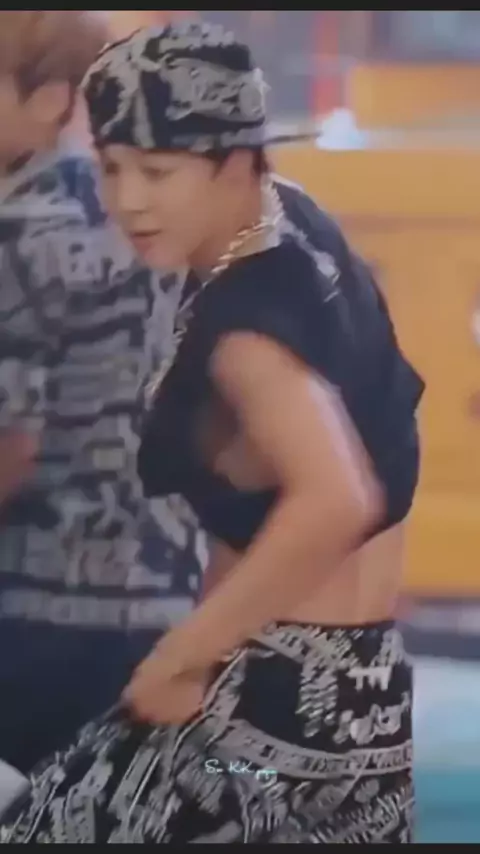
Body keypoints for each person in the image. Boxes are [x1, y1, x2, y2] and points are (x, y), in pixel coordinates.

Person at [0, 21, 424, 843]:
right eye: (113, 167)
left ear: (234, 161)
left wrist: (183, 655)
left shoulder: (245, 327)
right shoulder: (300, 228)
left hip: (257, 719)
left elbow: (338, 498)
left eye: (158, 172)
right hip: (362, 713)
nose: (129, 200)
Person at [0, 12, 201, 775]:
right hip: (166, 607)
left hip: (38, 615)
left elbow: (10, 448)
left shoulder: (19, 231)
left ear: (51, 100)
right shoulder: (152, 221)